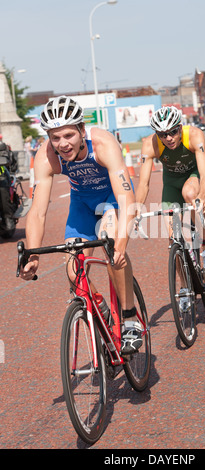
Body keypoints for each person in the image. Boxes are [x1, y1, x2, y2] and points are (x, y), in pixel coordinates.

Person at [19, 96, 141, 355]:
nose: (62, 144)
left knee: (111, 248)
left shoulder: (103, 144)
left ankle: (130, 316)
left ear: (82, 131)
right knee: (74, 271)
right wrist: (32, 255)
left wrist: (120, 245)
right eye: (55, 137)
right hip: (82, 206)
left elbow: (126, 196)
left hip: (111, 201)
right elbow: (38, 212)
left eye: (68, 135)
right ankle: (101, 311)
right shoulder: (46, 156)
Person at [135, 105, 205, 271]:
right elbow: (144, 183)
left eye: (173, 132)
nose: (169, 138)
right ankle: (183, 288)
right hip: (171, 184)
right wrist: (137, 208)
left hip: (193, 176)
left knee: (190, 194)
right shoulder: (150, 144)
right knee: (174, 241)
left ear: (180, 128)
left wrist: (202, 196)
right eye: (162, 135)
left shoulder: (194, 135)